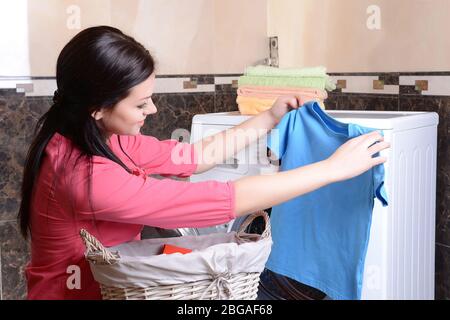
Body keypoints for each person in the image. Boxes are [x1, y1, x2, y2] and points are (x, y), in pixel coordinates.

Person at [18, 26, 390, 300]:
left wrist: (268, 118)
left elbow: (193, 158)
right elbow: (219, 200)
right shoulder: (84, 175)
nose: (153, 110)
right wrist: (333, 169)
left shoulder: (99, 137)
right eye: (140, 104)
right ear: (97, 108)